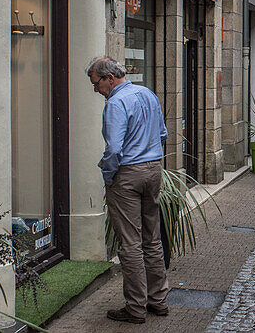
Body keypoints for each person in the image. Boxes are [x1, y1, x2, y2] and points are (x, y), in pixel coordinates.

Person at [87, 57, 169, 324]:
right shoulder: (147, 94)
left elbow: (113, 149)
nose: (96, 90)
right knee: (152, 238)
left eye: (96, 84)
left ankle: (135, 308)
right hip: (153, 169)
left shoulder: (116, 103)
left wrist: (109, 176)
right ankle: (158, 301)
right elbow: (163, 134)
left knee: (131, 244)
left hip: (128, 174)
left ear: (110, 78)